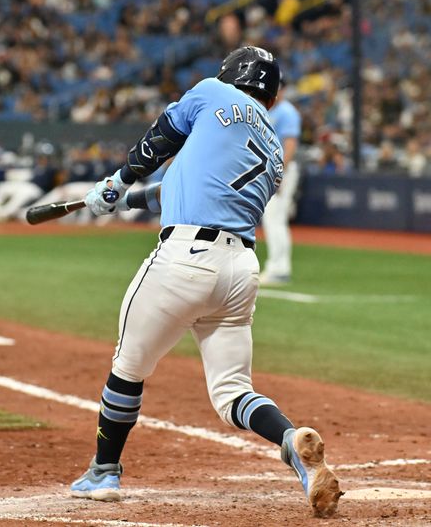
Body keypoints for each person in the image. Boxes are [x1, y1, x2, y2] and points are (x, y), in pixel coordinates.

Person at [70, 46, 342, 518]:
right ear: (272, 96)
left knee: (129, 364)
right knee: (233, 391)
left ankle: (104, 470)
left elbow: (161, 137)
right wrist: (125, 198)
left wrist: (116, 179)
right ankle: (289, 439)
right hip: (239, 272)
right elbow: (185, 185)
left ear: (230, 73)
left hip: (184, 258)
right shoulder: (273, 146)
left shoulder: (212, 92)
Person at [260, 74, 302, 285]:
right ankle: (278, 266)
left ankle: (279, 268)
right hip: (270, 169)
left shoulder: (286, 111)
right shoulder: (268, 109)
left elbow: (291, 144)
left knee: (275, 218)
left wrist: (279, 172)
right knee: (273, 219)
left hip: (282, 170)